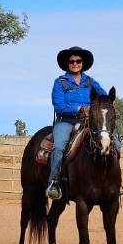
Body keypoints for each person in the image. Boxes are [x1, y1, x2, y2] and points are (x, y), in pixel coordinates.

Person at [46, 46, 109, 200]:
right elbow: (59, 106)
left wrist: (98, 107)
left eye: (78, 61)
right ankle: (54, 182)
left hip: (89, 121)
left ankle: (113, 182)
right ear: (67, 64)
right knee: (60, 147)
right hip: (66, 121)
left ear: (82, 63)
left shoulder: (91, 81)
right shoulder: (59, 82)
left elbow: (104, 97)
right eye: (72, 61)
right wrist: (79, 108)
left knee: (115, 143)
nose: (75, 63)